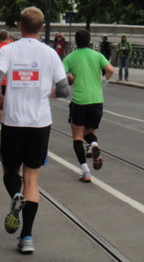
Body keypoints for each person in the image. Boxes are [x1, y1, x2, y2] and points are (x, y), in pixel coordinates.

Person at [0, 7, 70, 255]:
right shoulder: (50, 54)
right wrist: (51, 93)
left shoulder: (8, 50)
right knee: (32, 177)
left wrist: (0, 98)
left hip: (14, 120)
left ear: (20, 25)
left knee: (9, 169)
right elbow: (64, 90)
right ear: (42, 26)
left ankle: (16, 194)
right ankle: (26, 237)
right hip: (39, 122)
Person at [63, 29, 115, 182]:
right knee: (89, 132)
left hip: (80, 100)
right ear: (89, 40)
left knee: (77, 136)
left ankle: (85, 172)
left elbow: (61, 74)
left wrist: (71, 77)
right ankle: (93, 144)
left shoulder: (70, 58)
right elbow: (110, 69)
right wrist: (103, 81)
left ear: (76, 41)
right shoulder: (97, 55)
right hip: (97, 100)